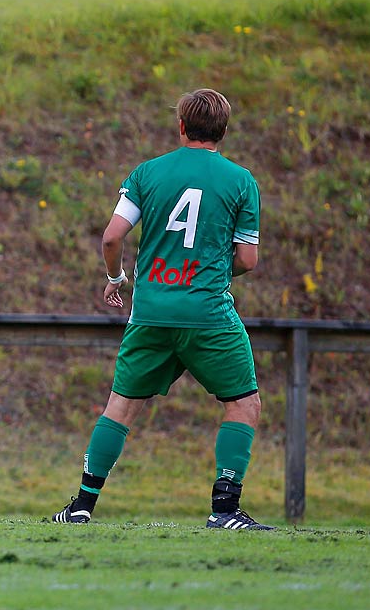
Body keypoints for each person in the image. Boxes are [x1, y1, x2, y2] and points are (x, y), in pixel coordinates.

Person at [49, 89, 271, 530]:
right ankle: (224, 511)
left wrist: (116, 278)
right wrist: (206, 271)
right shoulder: (241, 180)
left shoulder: (147, 173)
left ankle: (82, 506)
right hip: (207, 314)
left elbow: (112, 238)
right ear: (223, 131)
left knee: (121, 406)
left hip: (150, 311)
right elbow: (247, 259)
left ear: (182, 127)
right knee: (243, 405)